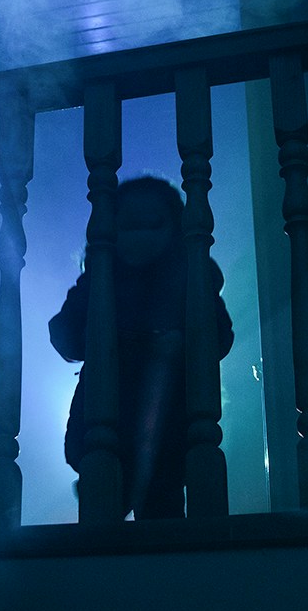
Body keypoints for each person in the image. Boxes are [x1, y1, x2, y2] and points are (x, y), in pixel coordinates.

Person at [48, 176, 233, 519]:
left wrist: (184, 338)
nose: (141, 235)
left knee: (163, 511)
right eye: (131, 225)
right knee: (102, 508)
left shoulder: (190, 277)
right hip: (106, 422)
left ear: (174, 229)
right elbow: (66, 337)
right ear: (113, 230)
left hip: (170, 423)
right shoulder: (99, 280)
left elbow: (219, 338)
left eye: (153, 225)